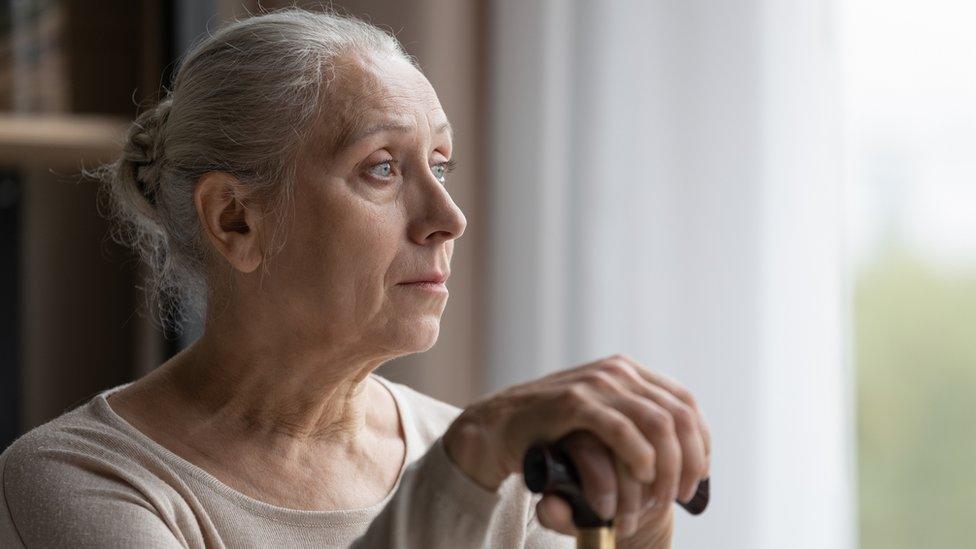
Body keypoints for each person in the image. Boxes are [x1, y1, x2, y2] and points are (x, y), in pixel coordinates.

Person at [0, 9, 710, 548]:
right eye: (382, 168)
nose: (448, 217)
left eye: (439, 164)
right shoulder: (82, 478)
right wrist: (464, 468)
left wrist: (630, 534)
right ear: (235, 220)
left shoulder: (481, 463)